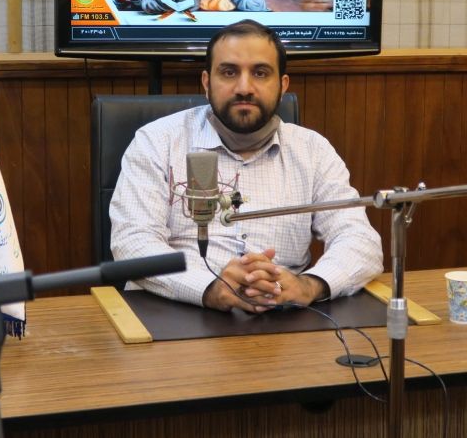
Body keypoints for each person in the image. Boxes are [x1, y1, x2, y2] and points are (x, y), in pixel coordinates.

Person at [109, 20, 384, 312]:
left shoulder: (313, 150)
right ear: (206, 83)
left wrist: (309, 285)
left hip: (282, 316)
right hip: (174, 314)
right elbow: (132, 243)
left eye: (260, 73)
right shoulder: (157, 141)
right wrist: (210, 288)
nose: (244, 88)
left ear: (282, 86)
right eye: (229, 72)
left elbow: (360, 240)